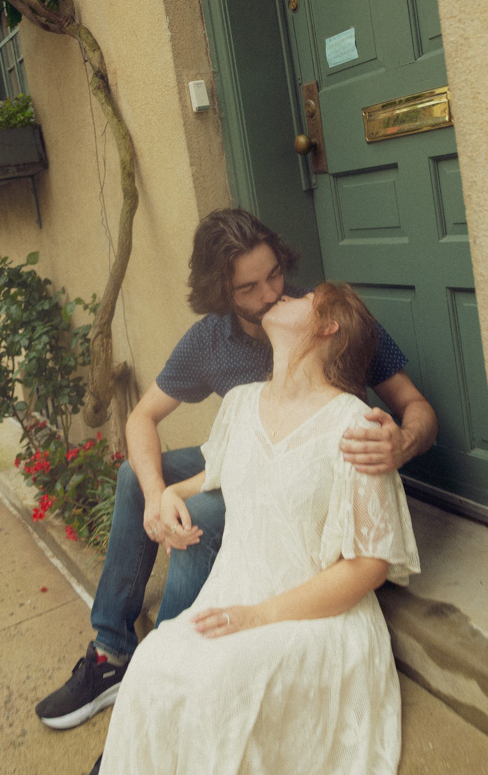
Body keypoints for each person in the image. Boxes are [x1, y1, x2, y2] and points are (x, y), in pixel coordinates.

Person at [35, 209, 436, 739]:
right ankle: (112, 651)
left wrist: (399, 444)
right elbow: (141, 418)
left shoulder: (320, 316)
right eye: (249, 287)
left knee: (197, 513)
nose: (271, 293)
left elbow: (416, 408)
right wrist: (158, 497)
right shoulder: (209, 341)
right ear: (220, 293)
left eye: (274, 274)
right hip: (240, 460)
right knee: (138, 479)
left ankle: (172, 671)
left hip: (304, 480)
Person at [98, 282, 420, 774]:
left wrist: (258, 617)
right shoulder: (242, 403)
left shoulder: (356, 426)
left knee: (214, 688)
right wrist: (169, 494)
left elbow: (368, 566)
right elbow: (221, 470)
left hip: (313, 615)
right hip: (234, 591)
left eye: (298, 299)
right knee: (149, 665)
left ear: (326, 326)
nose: (279, 297)